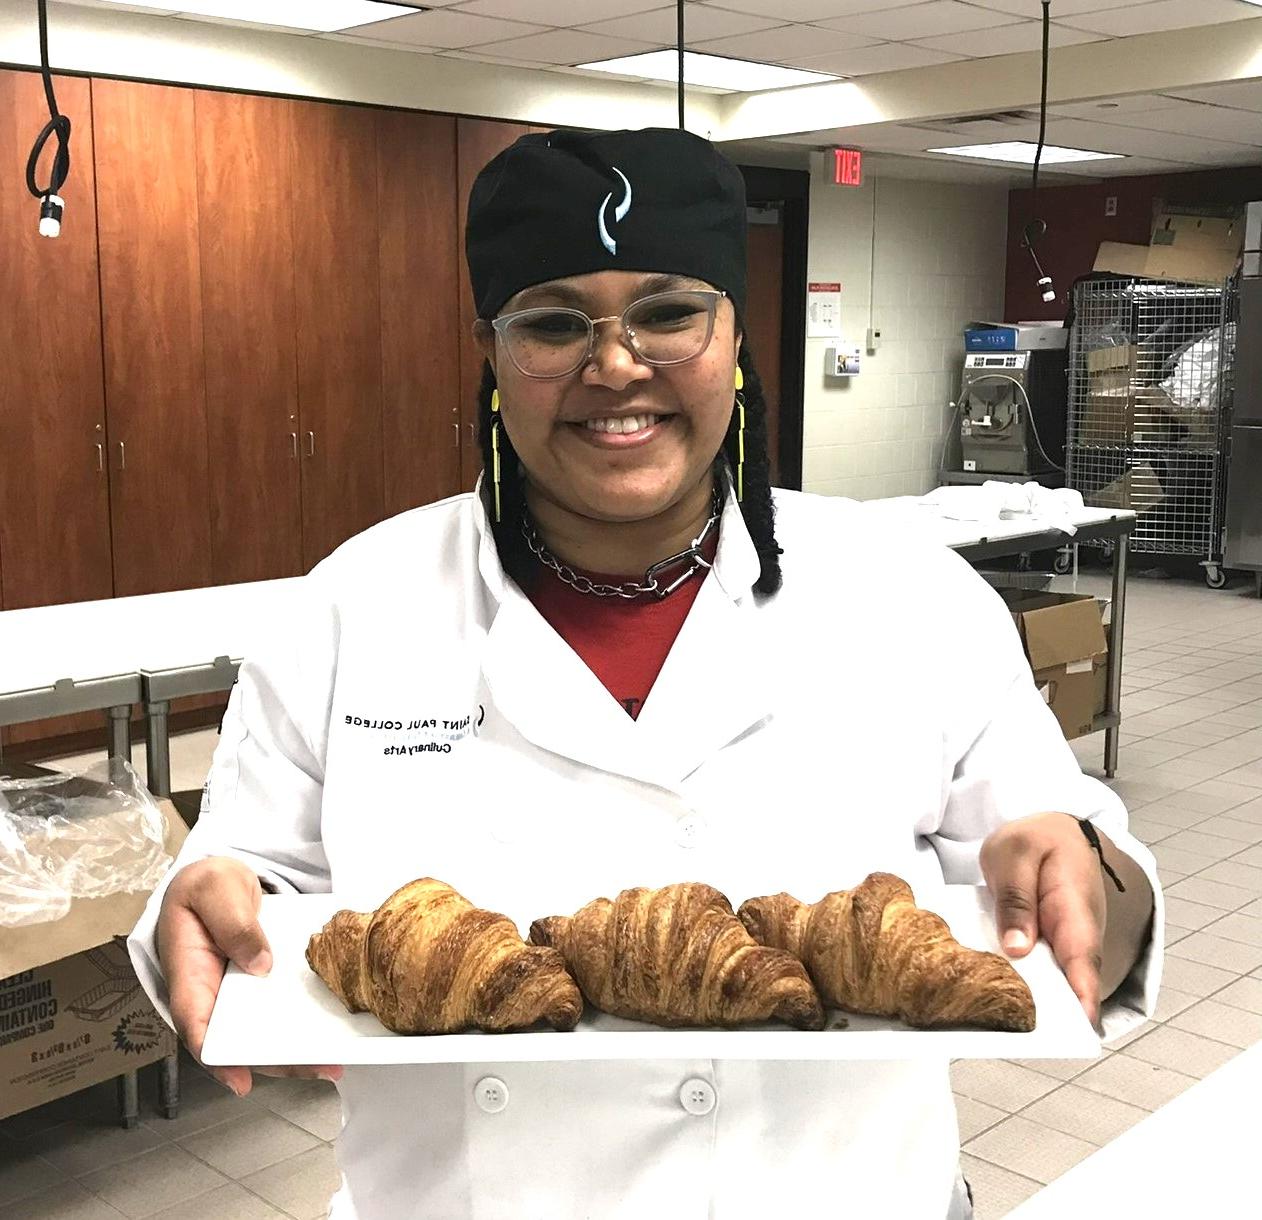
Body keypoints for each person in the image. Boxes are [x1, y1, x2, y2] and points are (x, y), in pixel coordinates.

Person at [129, 127, 1163, 1220]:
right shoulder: (356, 602)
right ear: (492, 349)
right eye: (553, 322)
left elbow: (1104, 890)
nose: (614, 364)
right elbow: (237, 885)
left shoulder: (907, 594)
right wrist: (189, 919)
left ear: (732, 333)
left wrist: (1088, 868)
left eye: (667, 312)